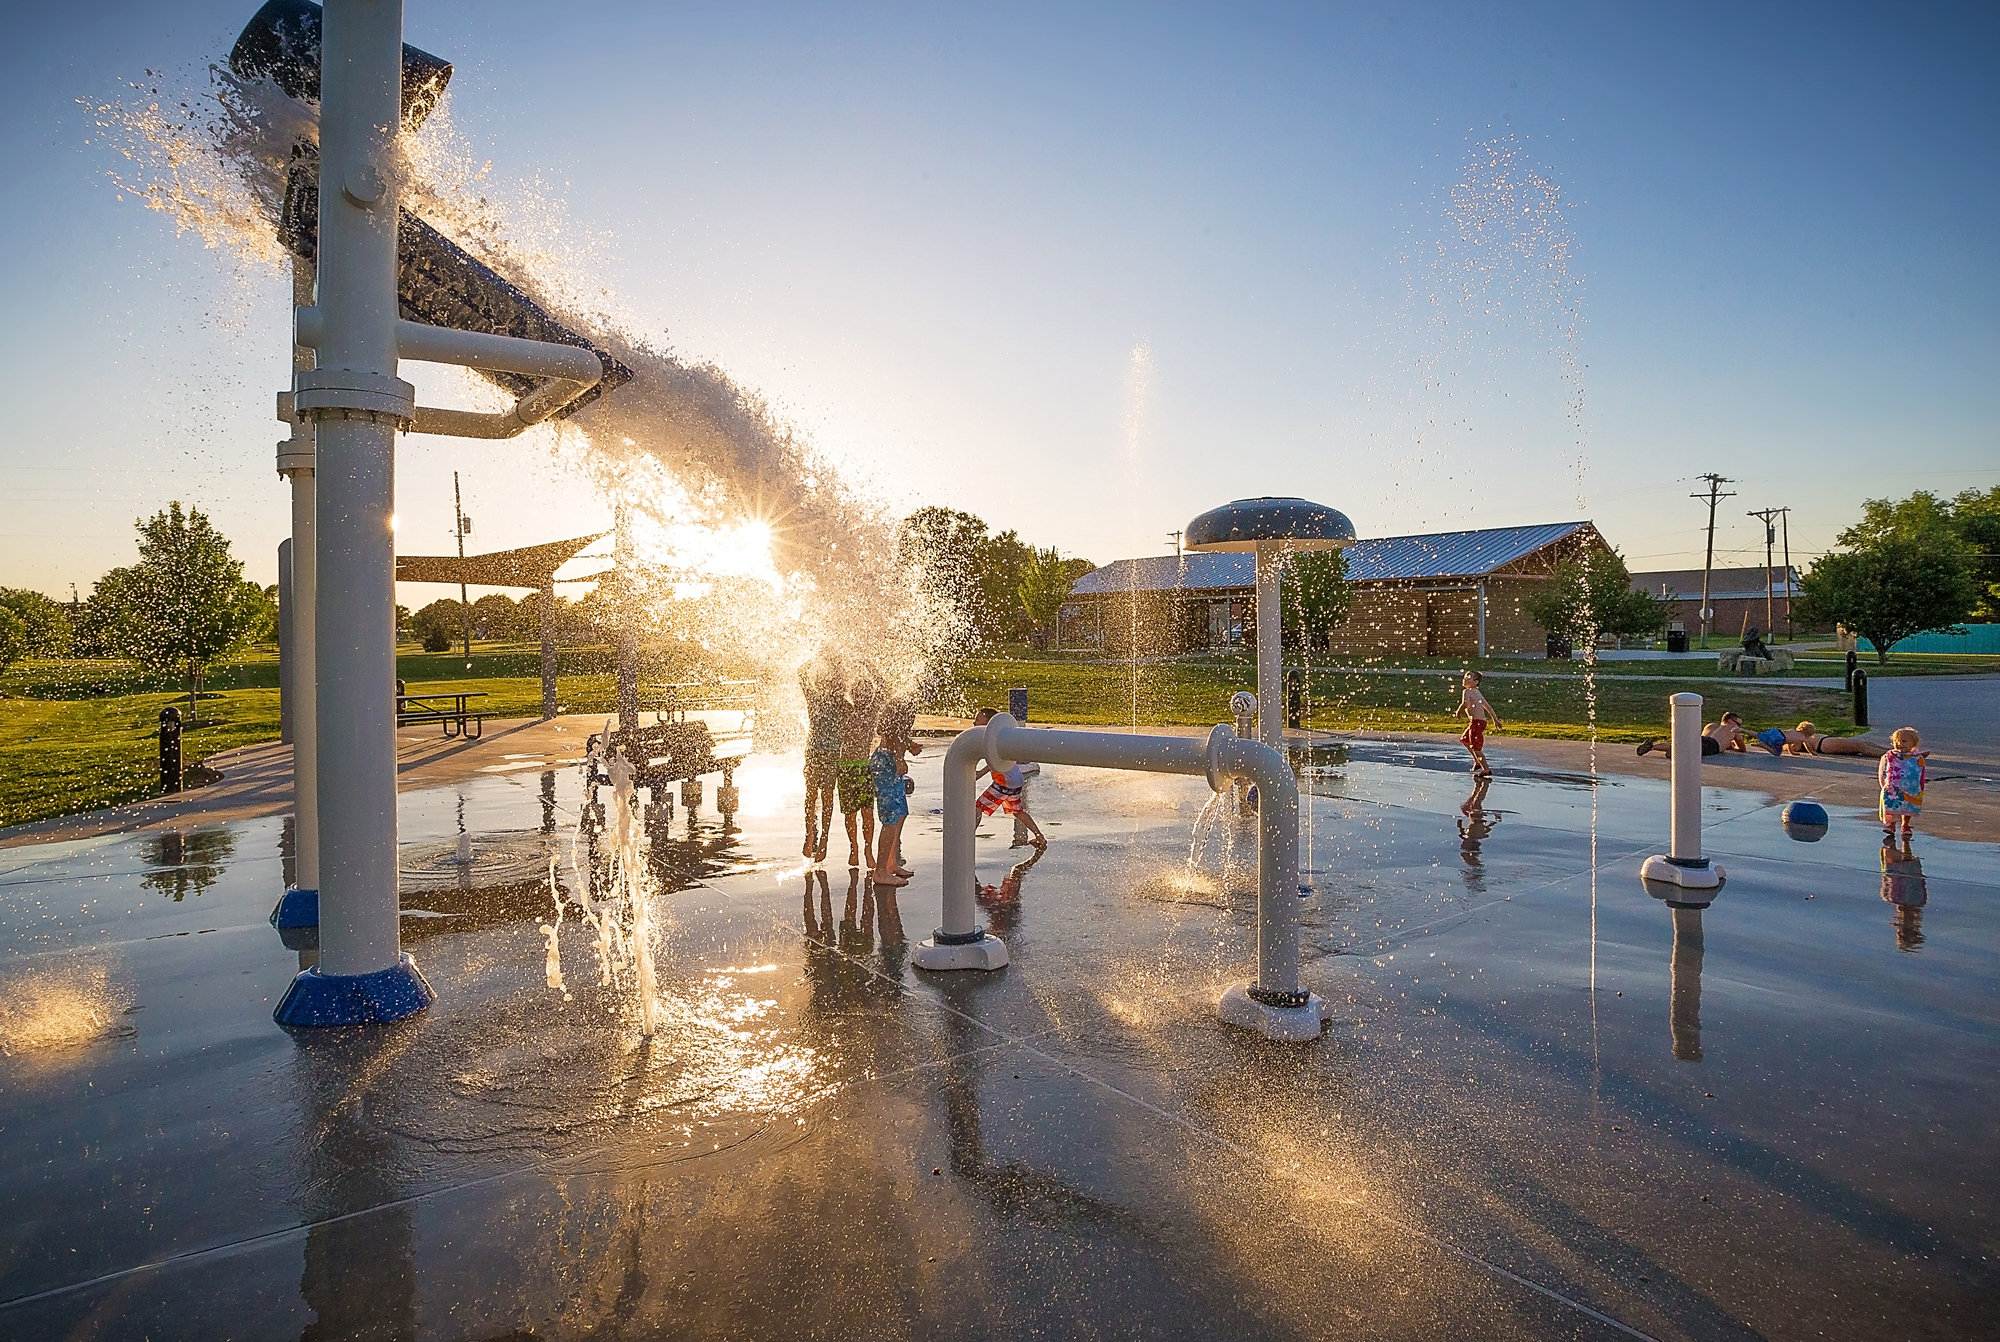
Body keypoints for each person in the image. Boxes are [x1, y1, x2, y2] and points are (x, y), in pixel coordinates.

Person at [970, 707, 1047, 846]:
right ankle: (1039, 836)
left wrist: (980, 773)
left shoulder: (992, 741)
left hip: (1004, 783)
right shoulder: (997, 738)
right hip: (1015, 781)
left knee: (977, 807)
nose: (974, 723)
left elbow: (994, 761)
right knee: (1018, 812)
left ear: (989, 724)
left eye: (977, 720)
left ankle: (967, 838)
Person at [837, 665, 885, 868]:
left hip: (865, 767)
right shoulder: (845, 710)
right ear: (853, 695)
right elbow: (835, 691)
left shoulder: (872, 712)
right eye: (858, 692)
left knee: (867, 811)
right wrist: (840, 667)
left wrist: (868, 664)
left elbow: (882, 686)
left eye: (866, 693)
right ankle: (853, 848)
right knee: (850, 813)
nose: (862, 696)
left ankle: (868, 849)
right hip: (846, 766)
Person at [799, 656, 846, 863]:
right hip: (815, 752)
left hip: (830, 754)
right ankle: (810, 834)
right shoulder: (814, 697)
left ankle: (823, 838)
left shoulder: (844, 704)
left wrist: (837, 664)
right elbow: (801, 673)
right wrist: (819, 656)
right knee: (813, 794)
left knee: (825, 795)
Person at [866, 728, 910, 887]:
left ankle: (891, 862)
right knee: (890, 818)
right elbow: (887, 730)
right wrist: (899, 758)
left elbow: (897, 733)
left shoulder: (906, 706)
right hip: (885, 762)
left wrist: (909, 745)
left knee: (901, 813)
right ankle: (880, 872)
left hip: (890, 758)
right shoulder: (900, 705)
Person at [1878, 726, 1928, 842]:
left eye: (1904, 741)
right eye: (1896, 741)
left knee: (1908, 805)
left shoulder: (1917, 758)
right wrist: (1884, 783)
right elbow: (1884, 769)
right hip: (1893, 786)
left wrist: (1920, 786)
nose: (1899, 744)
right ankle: (1891, 825)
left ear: (1914, 743)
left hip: (1911, 787)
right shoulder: (1891, 756)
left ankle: (1905, 825)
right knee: (1891, 805)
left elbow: (1920, 772)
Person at [1453, 670, 1502, 776]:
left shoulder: (1467, 692)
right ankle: (1477, 761)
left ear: (1476, 682)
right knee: (1465, 740)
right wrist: (1495, 720)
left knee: (1476, 747)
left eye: (1469, 678)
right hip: (1480, 722)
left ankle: (1486, 769)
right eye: (1465, 677)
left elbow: (1465, 703)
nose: (1465, 679)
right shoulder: (1477, 692)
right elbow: (1488, 707)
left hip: (1476, 723)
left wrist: (1458, 711)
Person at [1636, 711, 1746, 758]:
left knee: (1680, 746)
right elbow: (1742, 748)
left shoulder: (1710, 726)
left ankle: (1652, 747)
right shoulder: (1732, 728)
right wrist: (1732, 746)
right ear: (1731, 721)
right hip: (1713, 745)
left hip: (1701, 738)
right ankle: (1674, 753)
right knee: (1690, 752)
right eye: (1738, 723)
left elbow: (1704, 739)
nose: (1739, 726)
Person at [1788, 722, 1877, 757]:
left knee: (1864, 743)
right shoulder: (1798, 738)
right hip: (1823, 743)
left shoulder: (1796, 735)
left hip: (1826, 740)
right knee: (1860, 746)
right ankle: (1888, 754)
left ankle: (1889, 750)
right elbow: (1793, 745)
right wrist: (1812, 752)